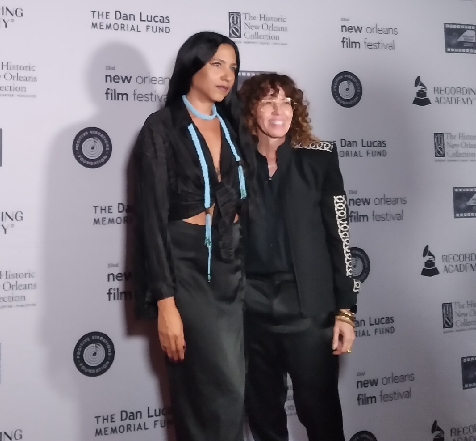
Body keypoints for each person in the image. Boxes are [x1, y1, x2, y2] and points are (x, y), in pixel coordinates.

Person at [133, 32, 248, 441]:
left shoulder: (234, 125)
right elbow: (151, 220)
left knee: (235, 391)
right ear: (192, 65)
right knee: (216, 390)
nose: (227, 75)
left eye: (233, 67)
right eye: (217, 64)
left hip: (233, 264)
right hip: (187, 266)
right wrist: (166, 304)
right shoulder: (161, 127)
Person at [239, 72, 357, 441]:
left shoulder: (319, 159)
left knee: (321, 417)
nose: (280, 111)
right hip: (249, 309)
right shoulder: (233, 163)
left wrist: (345, 310)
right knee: (264, 419)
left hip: (308, 310)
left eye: (287, 102)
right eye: (268, 102)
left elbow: (340, 237)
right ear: (251, 110)